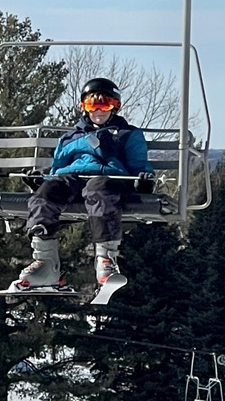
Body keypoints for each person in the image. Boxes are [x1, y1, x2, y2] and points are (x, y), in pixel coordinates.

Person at [15, 77, 154, 291]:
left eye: (104, 105)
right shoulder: (70, 137)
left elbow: (138, 164)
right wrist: (40, 183)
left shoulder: (126, 134)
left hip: (108, 180)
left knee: (98, 190)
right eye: (91, 105)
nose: (98, 111)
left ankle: (105, 258)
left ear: (115, 106)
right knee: (46, 193)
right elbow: (57, 169)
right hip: (72, 179)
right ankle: (45, 262)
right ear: (84, 107)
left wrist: (143, 183)